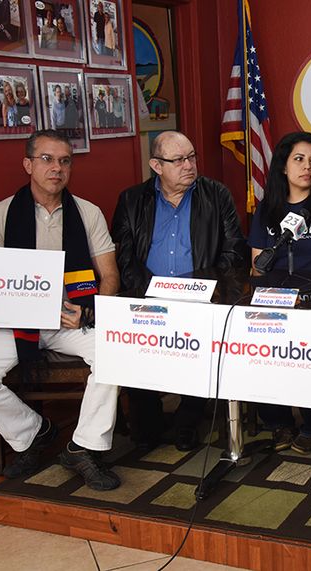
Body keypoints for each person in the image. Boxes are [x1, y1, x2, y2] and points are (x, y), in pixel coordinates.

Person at [0, 129, 123, 491]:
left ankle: (83, 447)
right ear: (28, 164)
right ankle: (33, 432)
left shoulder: (87, 213)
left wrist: (89, 313)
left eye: (64, 161)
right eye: (46, 159)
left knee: (115, 354)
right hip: (17, 322)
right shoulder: (0, 214)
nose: (56, 168)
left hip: (69, 319)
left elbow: (110, 276)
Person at [111, 130, 247, 451]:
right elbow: (124, 256)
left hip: (201, 297)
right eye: (178, 160)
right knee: (135, 349)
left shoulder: (216, 195)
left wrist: (204, 288)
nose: (189, 165)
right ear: (156, 166)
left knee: (199, 345)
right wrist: (148, 293)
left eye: (191, 157)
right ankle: (149, 424)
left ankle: (187, 421)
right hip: (147, 297)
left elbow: (233, 250)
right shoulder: (132, 200)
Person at [248, 131, 311, 453]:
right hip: (274, 298)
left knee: (310, 352)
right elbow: (257, 265)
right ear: (283, 166)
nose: (308, 167)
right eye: (300, 159)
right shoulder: (268, 209)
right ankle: (277, 421)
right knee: (260, 349)